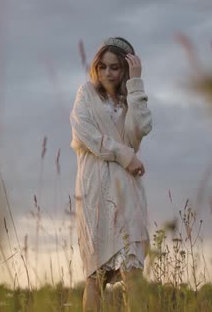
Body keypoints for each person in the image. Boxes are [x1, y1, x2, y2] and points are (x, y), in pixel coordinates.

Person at [70, 37, 152, 311]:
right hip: (95, 190)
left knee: (133, 272)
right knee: (95, 276)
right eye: (102, 66)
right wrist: (125, 155)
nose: (107, 73)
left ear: (125, 69)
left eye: (115, 67)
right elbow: (87, 135)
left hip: (127, 190)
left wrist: (136, 84)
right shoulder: (85, 94)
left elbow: (137, 133)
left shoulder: (130, 99)